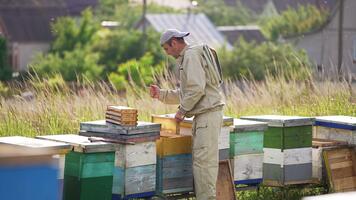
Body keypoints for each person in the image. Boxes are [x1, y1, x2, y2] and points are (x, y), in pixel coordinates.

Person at [149, 29, 225, 200]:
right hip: (204, 117)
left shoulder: (190, 56)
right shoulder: (190, 56)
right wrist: (160, 94)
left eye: (166, 49)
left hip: (207, 115)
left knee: (204, 165)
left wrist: (181, 111)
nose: (167, 53)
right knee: (201, 164)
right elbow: (187, 92)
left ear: (174, 42)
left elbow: (196, 89)